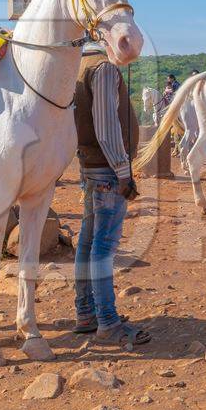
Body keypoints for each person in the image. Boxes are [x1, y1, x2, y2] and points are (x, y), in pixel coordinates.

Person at [72, 40, 150, 347]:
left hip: (90, 166)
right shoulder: (102, 69)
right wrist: (123, 173)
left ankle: (86, 313)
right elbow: (106, 129)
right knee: (103, 247)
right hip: (107, 171)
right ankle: (107, 323)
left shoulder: (79, 65)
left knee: (88, 242)